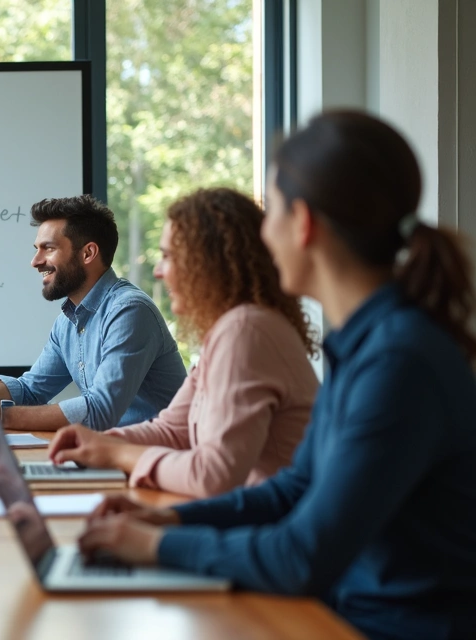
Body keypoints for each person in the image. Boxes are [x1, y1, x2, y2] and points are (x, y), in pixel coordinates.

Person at [77, 111, 476, 640]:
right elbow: (295, 486)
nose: (264, 235)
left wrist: (155, 547)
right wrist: (171, 522)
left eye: (272, 212)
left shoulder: (399, 361)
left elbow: (302, 556)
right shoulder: (368, 343)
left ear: (304, 222)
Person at [46, 188, 318, 498]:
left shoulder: (246, 330)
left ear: (207, 262)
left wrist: (116, 454)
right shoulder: (231, 329)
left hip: (273, 529)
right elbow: (173, 430)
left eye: (167, 257)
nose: (158, 272)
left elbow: (212, 475)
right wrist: (100, 442)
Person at [0, 195, 186, 431]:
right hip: (110, 454)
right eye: (36, 248)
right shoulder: (68, 321)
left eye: (48, 248)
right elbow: (32, 389)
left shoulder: (130, 311)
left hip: (154, 459)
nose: (35, 261)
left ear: (88, 253)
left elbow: (100, 410)